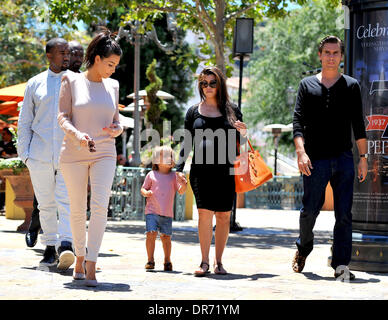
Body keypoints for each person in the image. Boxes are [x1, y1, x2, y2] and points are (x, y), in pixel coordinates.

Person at [292, 35, 368, 281]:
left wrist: (363, 157)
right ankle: (303, 248)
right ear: (320, 55)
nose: (332, 56)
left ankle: (341, 264)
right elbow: (297, 123)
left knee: (344, 214)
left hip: (344, 158)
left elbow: (358, 124)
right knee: (309, 212)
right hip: (315, 159)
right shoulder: (306, 85)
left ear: (341, 57)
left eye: (336, 53)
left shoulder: (351, 86)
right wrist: (301, 152)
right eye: (327, 52)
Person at [58, 29, 123, 287]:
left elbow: (116, 121)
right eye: (110, 64)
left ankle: (92, 263)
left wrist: (116, 129)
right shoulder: (70, 80)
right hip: (73, 153)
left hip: (105, 152)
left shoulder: (114, 86)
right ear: (96, 58)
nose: (113, 70)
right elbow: (63, 117)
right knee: (77, 209)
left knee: (99, 206)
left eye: (116, 65)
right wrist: (78, 135)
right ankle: (80, 257)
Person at [176, 66, 247, 276]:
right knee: (204, 215)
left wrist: (243, 133)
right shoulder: (193, 112)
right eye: (204, 83)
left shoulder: (232, 110)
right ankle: (204, 261)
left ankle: (219, 262)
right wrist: (178, 168)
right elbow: (186, 142)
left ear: (220, 85)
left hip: (226, 171)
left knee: (224, 216)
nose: (208, 87)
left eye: (212, 83)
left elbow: (241, 144)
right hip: (201, 172)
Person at [17, 38, 75, 270]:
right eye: (61, 52)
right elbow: (25, 122)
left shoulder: (76, 82)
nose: (66, 56)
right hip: (39, 155)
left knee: (67, 201)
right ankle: (50, 247)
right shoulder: (34, 84)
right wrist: (26, 155)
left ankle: (66, 244)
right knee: (45, 204)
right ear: (49, 56)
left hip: (68, 154)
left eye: (67, 52)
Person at [141, 146, 187, 272]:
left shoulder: (174, 176)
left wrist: (184, 184)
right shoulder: (151, 175)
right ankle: (150, 260)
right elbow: (143, 188)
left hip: (167, 213)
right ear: (156, 160)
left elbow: (181, 191)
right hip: (152, 211)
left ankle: (167, 260)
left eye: (172, 156)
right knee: (151, 234)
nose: (171, 159)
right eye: (167, 156)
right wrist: (146, 193)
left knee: (166, 237)